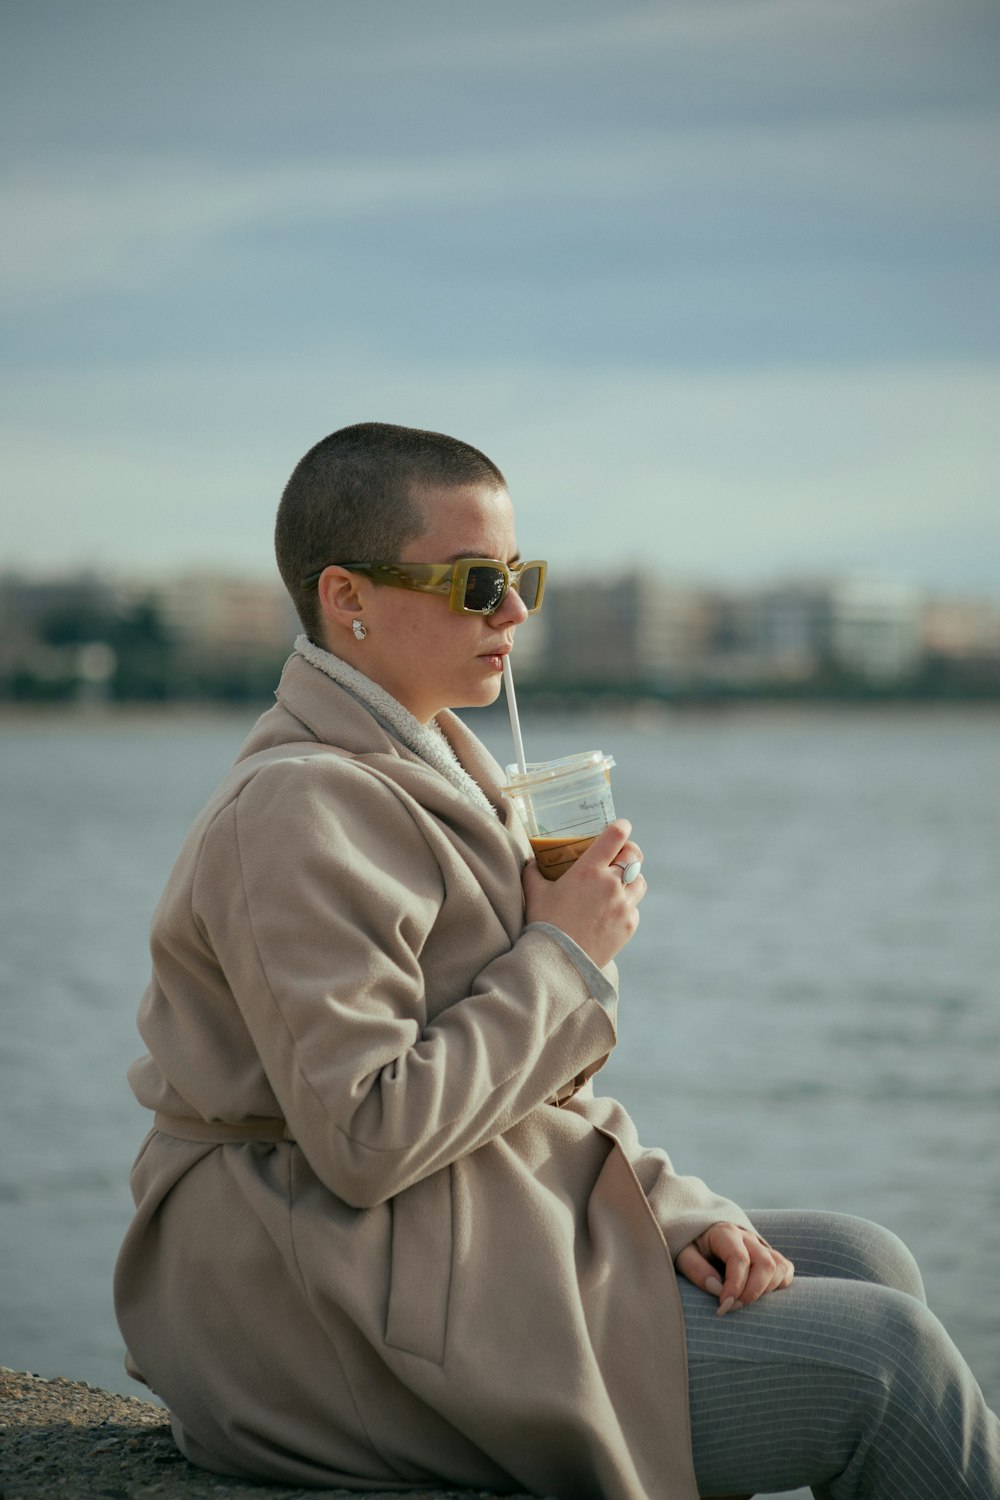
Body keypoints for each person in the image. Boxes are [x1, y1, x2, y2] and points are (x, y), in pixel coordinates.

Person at [114, 422, 1000, 1500]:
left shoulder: (430, 761)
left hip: (442, 1226)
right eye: (477, 580)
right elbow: (364, 1136)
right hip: (313, 1289)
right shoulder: (299, 806)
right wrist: (563, 955)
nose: (514, 612)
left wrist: (677, 1208)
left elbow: (526, 1093)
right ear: (346, 597)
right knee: (887, 1365)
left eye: (520, 574)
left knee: (865, 1262)